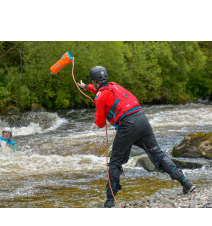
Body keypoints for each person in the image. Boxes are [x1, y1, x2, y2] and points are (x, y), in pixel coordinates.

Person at [77, 66, 196, 208]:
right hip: (142, 119)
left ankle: (109, 202)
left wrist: (98, 107)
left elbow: (100, 123)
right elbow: (101, 91)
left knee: (115, 162)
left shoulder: (100, 96)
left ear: (94, 80)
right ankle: (186, 183)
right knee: (157, 154)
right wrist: (86, 87)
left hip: (127, 125)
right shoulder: (115, 86)